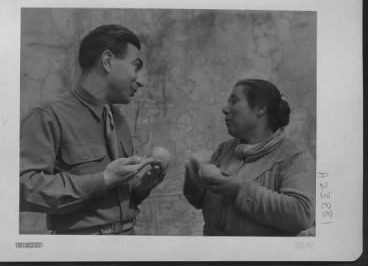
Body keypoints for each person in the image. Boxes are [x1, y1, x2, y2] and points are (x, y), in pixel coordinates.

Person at [20, 24, 167, 235]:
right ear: (107, 61)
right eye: (136, 66)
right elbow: (23, 187)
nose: (141, 80)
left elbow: (115, 196)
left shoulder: (118, 119)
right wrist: (103, 179)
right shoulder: (47, 115)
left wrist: (142, 186)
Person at [184, 79, 315, 236]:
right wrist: (195, 185)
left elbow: (301, 215)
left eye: (234, 101)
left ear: (260, 108)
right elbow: (204, 204)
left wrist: (240, 190)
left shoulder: (294, 155)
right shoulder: (224, 150)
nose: (225, 109)